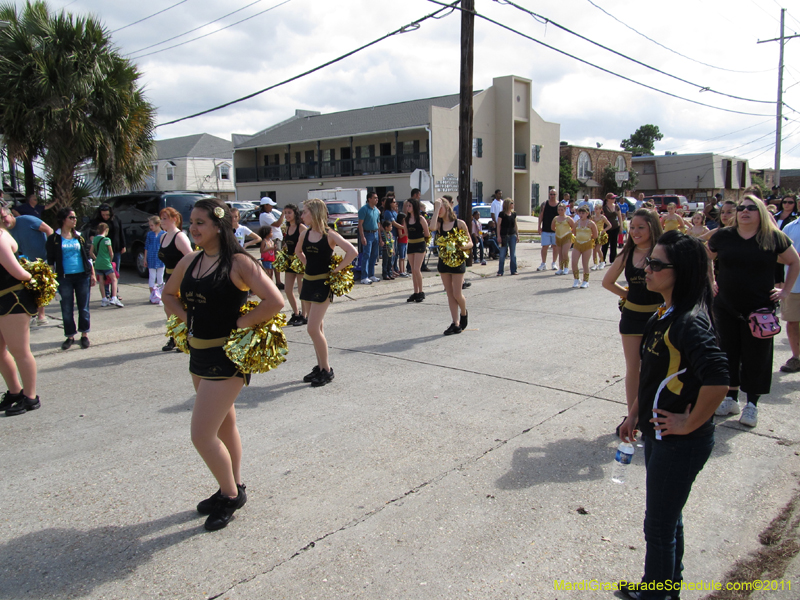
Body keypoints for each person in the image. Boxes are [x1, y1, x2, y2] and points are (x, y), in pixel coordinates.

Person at [617, 231, 730, 600]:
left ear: (679, 272)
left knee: (659, 525)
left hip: (680, 442)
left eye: (656, 264)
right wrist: (634, 415)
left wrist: (688, 422)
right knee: (670, 517)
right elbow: (653, 374)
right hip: (659, 436)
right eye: (649, 262)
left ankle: (657, 594)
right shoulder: (665, 312)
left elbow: (718, 379)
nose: (646, 269)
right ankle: (667, 588)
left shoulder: (688, 322)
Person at [162, 198, 284, 531]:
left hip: (226, 359)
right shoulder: (190, 260)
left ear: (218, 225)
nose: (194, 228)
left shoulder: (240, 263)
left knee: (201, 435)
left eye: (200, 222)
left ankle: (231, 496)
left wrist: (242, 325)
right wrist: (186, 319)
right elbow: (168, 294)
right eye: (191, 222)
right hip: (198, 355)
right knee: (223, 427)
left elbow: (275, 300)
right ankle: (233, 483)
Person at [708, 196, 800, 428]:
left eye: (751, 208)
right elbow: (706, 257)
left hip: (759, 310)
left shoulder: (772, 237)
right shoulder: (723, 236)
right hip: (726, 306)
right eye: (741, 208)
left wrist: (786, 290)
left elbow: (794, 261)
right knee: (727, 353)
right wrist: (710, 281)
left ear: (760, 212)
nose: (745, 212)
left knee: (757, 356)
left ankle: (752, 404)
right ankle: (731, 398)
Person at [603, 208, 664, 416]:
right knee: (634, 369)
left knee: (657, 368)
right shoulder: (627, 253)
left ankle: (654, 415)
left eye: (641, 227)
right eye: (632, 228)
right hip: (631, 318)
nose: (635, 232)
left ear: (652, 227)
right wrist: (628, 295)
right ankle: (633, 417)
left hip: (659, 318)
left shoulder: (663, 252)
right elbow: (607, 282)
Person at [296, 198, 358, 387]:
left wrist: (336, 270)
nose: (302, 215)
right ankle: (320, 366)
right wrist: (308, 266)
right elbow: (298, 252)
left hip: (323, 285)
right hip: (308, 284)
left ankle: (327, 370)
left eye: (305, 211)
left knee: (312, 328)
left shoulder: (329, 234)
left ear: (314, 213)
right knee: (318, 329)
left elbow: (352, 251)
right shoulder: (304, 234)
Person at [0, 204, 40, 417]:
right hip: (3, 299)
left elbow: (19, 273)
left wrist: (34, 277)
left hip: (13, 299)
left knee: (19, 350)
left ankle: (30, 397)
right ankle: (15, 392)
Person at [46, 207, 97, 350]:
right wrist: (52, 279)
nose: (75, 220)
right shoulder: (54, 238)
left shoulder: (79, 236)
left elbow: (87, 257)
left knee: (84, 307)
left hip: (82, 276)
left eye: (75, 218)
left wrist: (92, 274)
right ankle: (69, 335)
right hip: (64, 277)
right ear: (63, 220)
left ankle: (84, 335)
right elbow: (50, 260)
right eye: (71, 218)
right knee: (67, 308)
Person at [3, 203, 53, 325]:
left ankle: (41, 316)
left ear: (10, 215)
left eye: (4, 216)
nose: (3, 220)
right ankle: (33, 314)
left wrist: (51, 252)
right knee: (30, 288)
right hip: (28, 261)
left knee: (41, 286)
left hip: (43, 258)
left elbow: (49, 229)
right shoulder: (5, 232)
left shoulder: (27, 220)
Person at [430, 197, 472, 334]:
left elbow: (470, 242)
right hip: (444, 262)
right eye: (437, 208)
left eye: (441, 207)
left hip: (458, 261)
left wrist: (463, 246)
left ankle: (464, 313)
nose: (439, 211)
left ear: (447, 207)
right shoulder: (439, 225)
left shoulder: (459, 224)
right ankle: (455, 323)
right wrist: (436, 208)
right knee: (449, 293)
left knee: (457, 293)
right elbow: (431, 227)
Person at [158, 207, 193, 352]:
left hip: (180, 278)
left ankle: (185, 337)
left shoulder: (180, 237)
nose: (162, 221)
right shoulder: (163, 237)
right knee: (168, 309)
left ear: (174, 219)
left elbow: (191, 257)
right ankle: (174, 337)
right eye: (161, 218)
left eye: (165, 218)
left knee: (180, 308)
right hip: (169, 276)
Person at [281, 203, 308, 326]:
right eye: (285, 213)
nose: (286, 215)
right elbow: (287, 243)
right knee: (287, 290)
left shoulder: (301, 227)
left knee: (302, 290)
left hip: (299, 261)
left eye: (289, 213)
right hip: (289, 261)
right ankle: (296, 313)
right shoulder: (286, 228)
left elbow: (307, 243)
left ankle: (304, 315)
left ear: (295, 213)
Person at [780, 217, 800, 373]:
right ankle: (796, 357)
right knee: (792, 323)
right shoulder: (790, 227)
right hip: (794, 285)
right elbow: (778, 255)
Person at [88, 204, 126, 282]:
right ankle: (106, 292)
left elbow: (121, 232)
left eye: (107, 215)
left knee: (115, 270)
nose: (105, 216)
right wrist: (93, 239)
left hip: (115, 248)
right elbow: (91, 234)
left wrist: (123, 245)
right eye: (103, 215)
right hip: (103, 251)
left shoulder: (116, 219)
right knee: (105, 273)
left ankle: (114, 292)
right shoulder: (97, 221)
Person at [91, 223, 123, 308]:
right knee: (114, 279)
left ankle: (104, 299)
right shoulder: (107, 240)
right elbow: (111, 252)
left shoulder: (95, 239)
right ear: (106, 230)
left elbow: (90, 252)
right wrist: (110, 260)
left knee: (101, 281)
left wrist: (96, 259)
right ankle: (114, 297)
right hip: (106, 262)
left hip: (98, 263)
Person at [404, 198, 430, 302]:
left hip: (420, 244)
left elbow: (427, 233)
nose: (408, 207)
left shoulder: (421, 219)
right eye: (407, 206)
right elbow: (406, 233)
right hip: (411, 244)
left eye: (409, 206)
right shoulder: (406, 219)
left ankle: (421, 291)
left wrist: (422, 239)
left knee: (416, 269)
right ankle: (415, 292)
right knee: (412, 270)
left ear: (414, 206)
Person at [570, 205, 598, 289]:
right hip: (577, 244)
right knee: (574, 262)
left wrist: (588, 238)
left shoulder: (591, 223)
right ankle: (576, 279)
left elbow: (595, 235)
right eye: (580, 213)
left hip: (587, 244)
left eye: (583, 213)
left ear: (587, 213)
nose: (581, 215)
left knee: (585, 263)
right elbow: (574, 233)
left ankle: (585, 281)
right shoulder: (576, 223)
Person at [258, 197, 284, 290]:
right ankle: (276, 282)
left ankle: (277, 281)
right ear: (265, 205)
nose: (272, 207)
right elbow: (277, 224)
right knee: (274, 262)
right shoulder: (265, 215)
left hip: (276, 239)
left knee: (276, 261)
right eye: (270, 205)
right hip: (273, 240)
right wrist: (283, 214)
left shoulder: (269, 214)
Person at [357, 192, 381, 285]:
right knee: (366, 255)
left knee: (374, 255)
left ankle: (371, 275)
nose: (376, 199)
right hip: (367, 234)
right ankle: (364, 276)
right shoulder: (364, 209)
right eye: (375, 198)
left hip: (375, 233)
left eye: (377, 198)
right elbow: (360, 224)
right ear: (369, 199)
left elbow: (378, 224)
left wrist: (380, 238)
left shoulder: (376, 210)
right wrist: (362, 237)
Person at [144, 216, 166, 306]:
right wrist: (145, 258)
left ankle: (160, 295)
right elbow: (146, 247)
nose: (150, 227)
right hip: (151, 257)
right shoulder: (150, 234)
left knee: (160, 276)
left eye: (152, 225)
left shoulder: (164, 234)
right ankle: (152, 295)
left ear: (158, 225)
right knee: (152, 276)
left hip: (160, 258)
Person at [538, 189, 561, 271]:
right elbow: (541, 215)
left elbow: (562, 216)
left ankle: (554, 263)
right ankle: (543, 263)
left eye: (554, 194)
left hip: (556, 230)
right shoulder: (545, 204)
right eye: (551, 194)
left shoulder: (559, 205)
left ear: (556, 194)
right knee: (545, 246)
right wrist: (539, 226)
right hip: (546, 229)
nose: (552, 196)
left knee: (555, 247)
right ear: (549, 194)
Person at [497, 198, 518, 276]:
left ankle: (513, 270)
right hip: (504, 236)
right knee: (502, 254)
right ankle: (500, 271)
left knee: (513, 254)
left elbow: (515, 225)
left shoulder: (514, 214)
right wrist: (498, 236)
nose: (512, 205)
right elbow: (498, 225)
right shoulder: (502, 214)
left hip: (512, 235)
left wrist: (517, 235)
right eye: (511, 203)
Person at [552, 202, 574, 276]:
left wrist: (570, 232)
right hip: (558, 237)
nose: (560, 211)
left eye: (562, 210)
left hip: (567, 237)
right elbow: (552, 227)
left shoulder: (568, 218)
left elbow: (574, 226)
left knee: (565, 252)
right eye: (559, 210)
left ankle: (566, 267)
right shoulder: (555, 218)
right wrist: (557, 231)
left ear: (565, 210)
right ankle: (561, 268)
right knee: (560, 253)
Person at [602, 193, 623, 266]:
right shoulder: (604, 207)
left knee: (613, 244)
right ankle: (602, 260)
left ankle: (613, 259)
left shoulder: (616, 206)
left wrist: (621, 226)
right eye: (612, 198)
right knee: (605, 244)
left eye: (614, 198)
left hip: (615, 227)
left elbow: (620, 217)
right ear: (608, 199)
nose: (614, 199)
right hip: (606, 228)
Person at [591, 203, 611, 270]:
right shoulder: (593, 217)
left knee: (597, 249)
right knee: (594, 250)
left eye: (597, 209)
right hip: (594, 234)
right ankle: (595, 264)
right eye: (595, 209)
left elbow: (609, 225)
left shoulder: (603, 217)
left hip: (600, 234)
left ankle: (602, 262)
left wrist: (603, 230)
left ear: (600, 210)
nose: (595, 210)